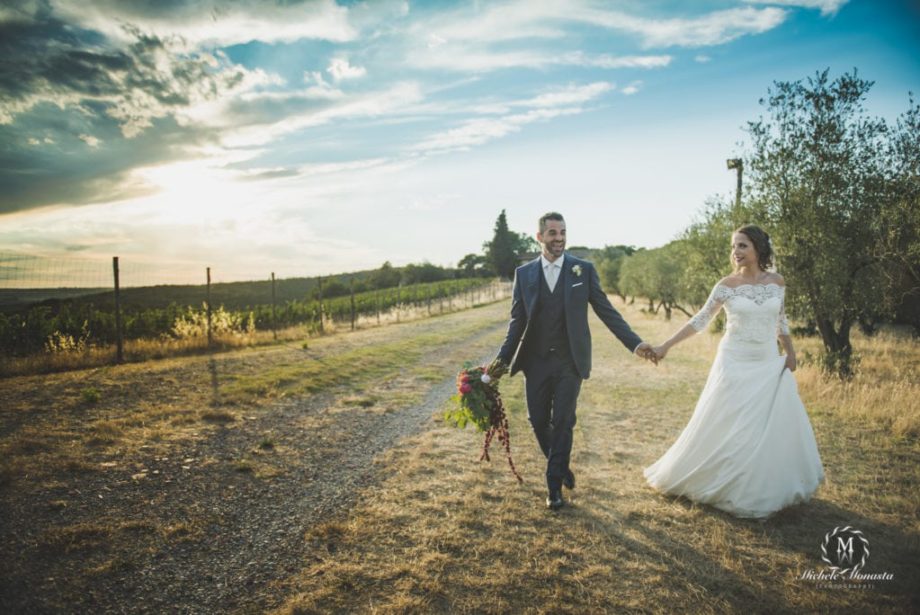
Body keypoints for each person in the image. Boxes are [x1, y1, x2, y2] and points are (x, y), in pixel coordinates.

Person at [644, 225, 824, 518]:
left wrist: (790, 351)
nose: (736, 252)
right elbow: (700, 320)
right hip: (733, 360)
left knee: (760, 425)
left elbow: (781, 320)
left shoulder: (777, 282)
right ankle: (719, 479)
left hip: (766, 360)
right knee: (729, 420)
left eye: (742, 246)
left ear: (758, 249)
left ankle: (754, 484)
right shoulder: (726, 285)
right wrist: (666, 345)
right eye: (734, 246)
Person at [489, 212, 658, 510]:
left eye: (563, 232)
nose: (560, 238)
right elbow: (516, 323)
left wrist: (635, 343)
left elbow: (607, 312)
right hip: (536, 361)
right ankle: (561, 465)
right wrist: (499, 364)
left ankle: (554, 487)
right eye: (553, 233)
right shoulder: (525, 274)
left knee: (564, 421)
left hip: (570, 362)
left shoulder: (583, 270)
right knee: (538, 421)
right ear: (539, 237)